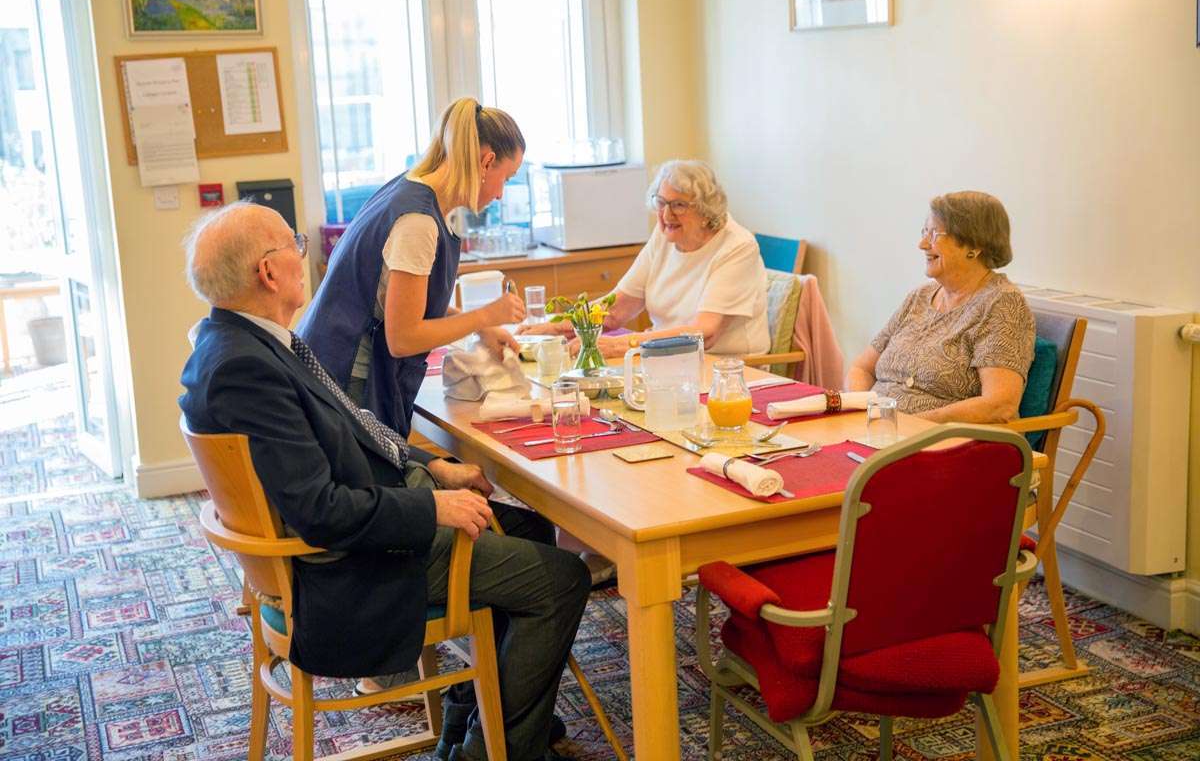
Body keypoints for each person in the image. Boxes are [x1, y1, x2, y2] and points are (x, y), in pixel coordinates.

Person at [179, 202, 589, 761]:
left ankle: (476, 725)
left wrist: (433, 467)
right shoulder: (245, 369)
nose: (305, 258)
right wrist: (435, 510)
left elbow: (355, 426)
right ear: (268, 274)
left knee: (533, 529)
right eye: (293, 245)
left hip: (361, 534)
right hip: (348, 569)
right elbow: (320, 511)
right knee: (565, 578)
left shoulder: (240, 344)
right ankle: (499, 751)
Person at [297, 97, 528, 436]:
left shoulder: (408, 189)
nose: (501, 195)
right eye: (506, 178)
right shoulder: (418, 222)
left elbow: (409, 301)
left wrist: (482, 329)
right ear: (486, 161)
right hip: (345, 379)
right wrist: (485, 316)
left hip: (326, 364)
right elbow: (403, 338)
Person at [518, 159, 769, 358]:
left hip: (729, 372)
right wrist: (555, 327)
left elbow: (706, 333)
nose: (666, 214)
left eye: (679, 205)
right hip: (666, 360)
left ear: (705, 211)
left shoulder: (737, 247)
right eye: (661, 202)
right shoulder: (665, 237)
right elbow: (616, 308)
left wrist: (623, 345)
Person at [845, 191, 1035, 423]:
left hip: (945, 441)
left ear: (973, 246)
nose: (922, 244)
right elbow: (861, 368)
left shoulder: (1002, 303)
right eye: (924, 232)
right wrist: (862, 411)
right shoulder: (920, 297)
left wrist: (909, 426)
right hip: (879, 431)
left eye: (935, 234)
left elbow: (999, 405)